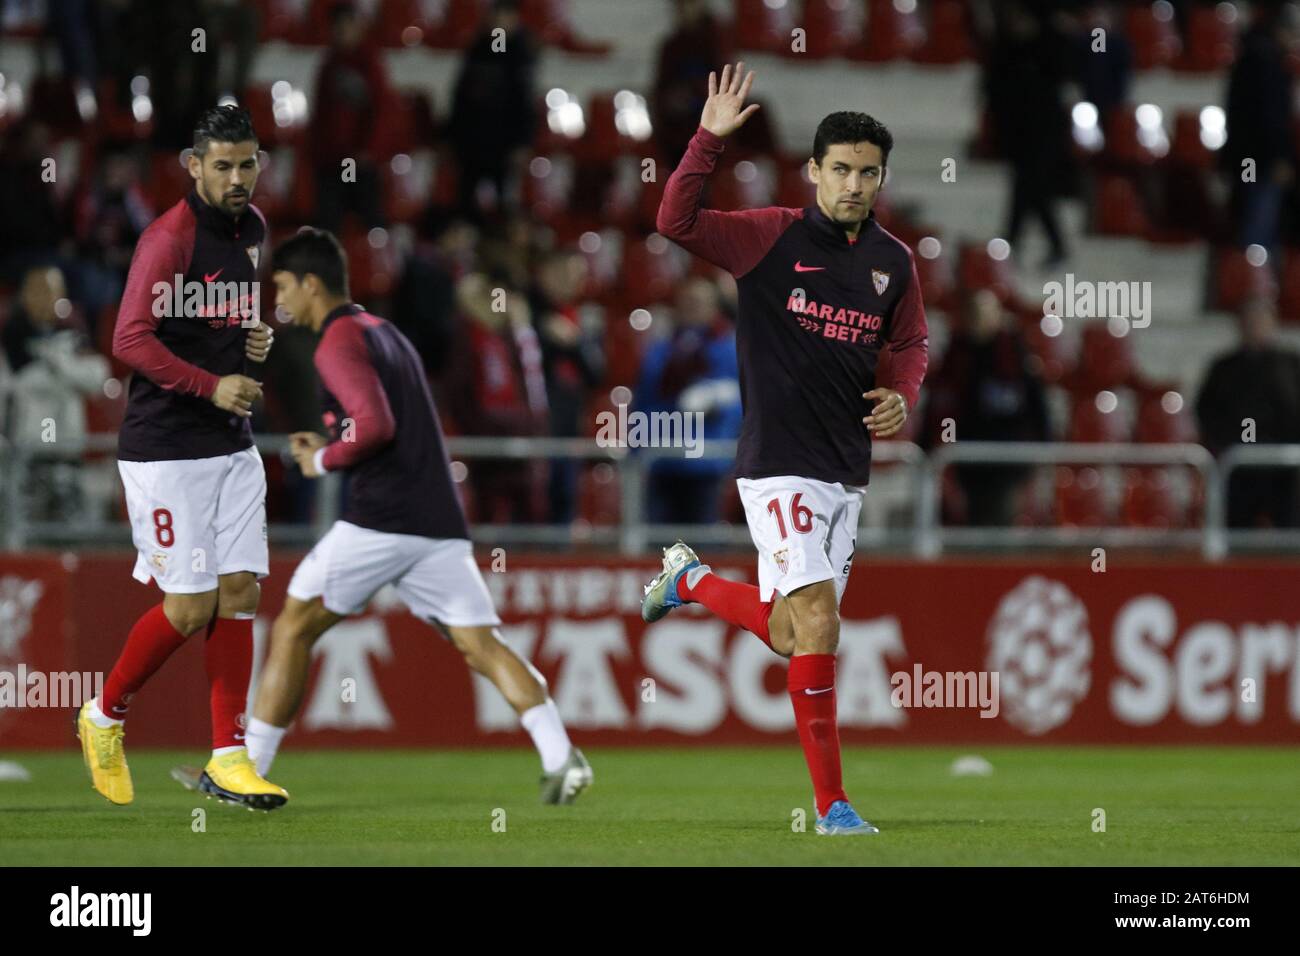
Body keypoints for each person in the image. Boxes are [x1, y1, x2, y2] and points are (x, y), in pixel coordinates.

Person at [176, 228, 592, 804]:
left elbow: (375, 427)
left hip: (382, 518)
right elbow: (382, 418)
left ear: (311, 283)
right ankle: (561, 756)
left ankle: (246, 770)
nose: (280, 300)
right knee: (481, 645)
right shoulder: (383, 331)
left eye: (283, 286)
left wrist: (322, 457)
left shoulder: (336, 342)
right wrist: (333, 437)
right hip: (436, 518)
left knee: (293, 627)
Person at [642, 64, 928, 835]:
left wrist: (902, 389)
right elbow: (675, 221)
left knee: (785, 631)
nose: (853, 185)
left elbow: (910, 342)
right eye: (840, 169)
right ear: (813, 171)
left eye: (868, 173)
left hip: (844, 469)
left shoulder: (893, 263)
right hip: (779, 463)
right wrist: (707, 140)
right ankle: (833, 804)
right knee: (823, 624)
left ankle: (692, 580)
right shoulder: (768, 237)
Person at [75, 105, 282, 810]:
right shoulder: (168, 239)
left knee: (243, 593)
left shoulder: (252, 231)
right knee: (191, 606)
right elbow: (129, 340)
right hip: (167, 450)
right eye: (221, 165)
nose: (236, 178)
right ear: (193, 166)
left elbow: (226, 316)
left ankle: (230, 756)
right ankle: (103, 716)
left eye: (246, 163)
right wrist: (211, 382)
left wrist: (254, 341)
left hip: (231, 443)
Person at [635, 275, 742, 524]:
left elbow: (743, 400)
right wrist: (639, 447)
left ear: (715, 307)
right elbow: (644, 400)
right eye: (687, 301)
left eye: (699, 302)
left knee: (701, 549)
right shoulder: (662, 349)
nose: (692, 308)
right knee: (661, 548)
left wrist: (718, 396)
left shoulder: (729, 348)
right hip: (662, 461)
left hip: (706, 464)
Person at [1196, 295, 1300, 528]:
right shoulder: (1224, 368)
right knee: (1237, 527)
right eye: (1250, 321)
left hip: (1284, 464)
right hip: (1237, 463)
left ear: (1274, 323)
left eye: (1261, 320)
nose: (1255, 326)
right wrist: (1228, 443)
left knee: (1288, 528)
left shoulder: (1290, 365)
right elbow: (1207, 411)